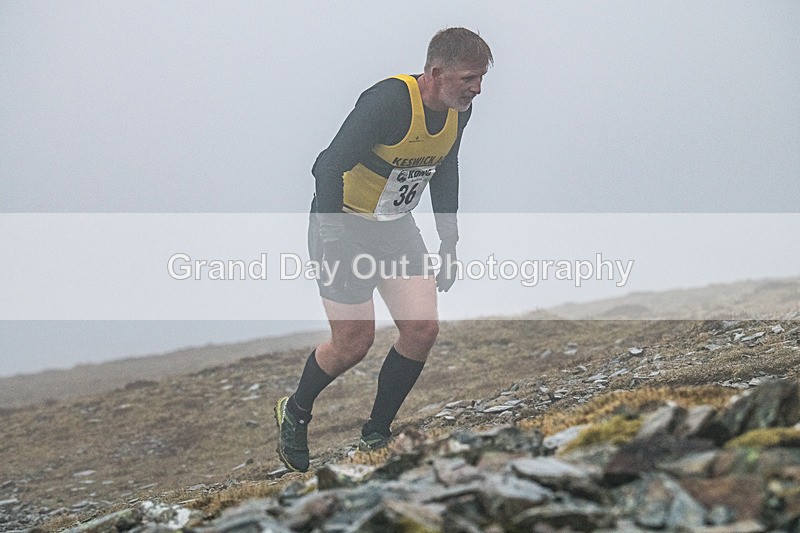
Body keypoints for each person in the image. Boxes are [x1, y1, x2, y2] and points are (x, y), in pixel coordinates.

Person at [274, 27, 493, 472]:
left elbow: (445, 168)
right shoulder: (388, 102)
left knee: (422, 329)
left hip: (395, 230)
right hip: (343, 227)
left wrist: (448, 240)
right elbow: (326, 166)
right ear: (435, 72)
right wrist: (333, 238)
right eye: (469, 78)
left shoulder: (458, 111)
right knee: (353, 344)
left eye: (481, 78)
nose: (478, 89)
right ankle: (295, 410)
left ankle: (376, 431)